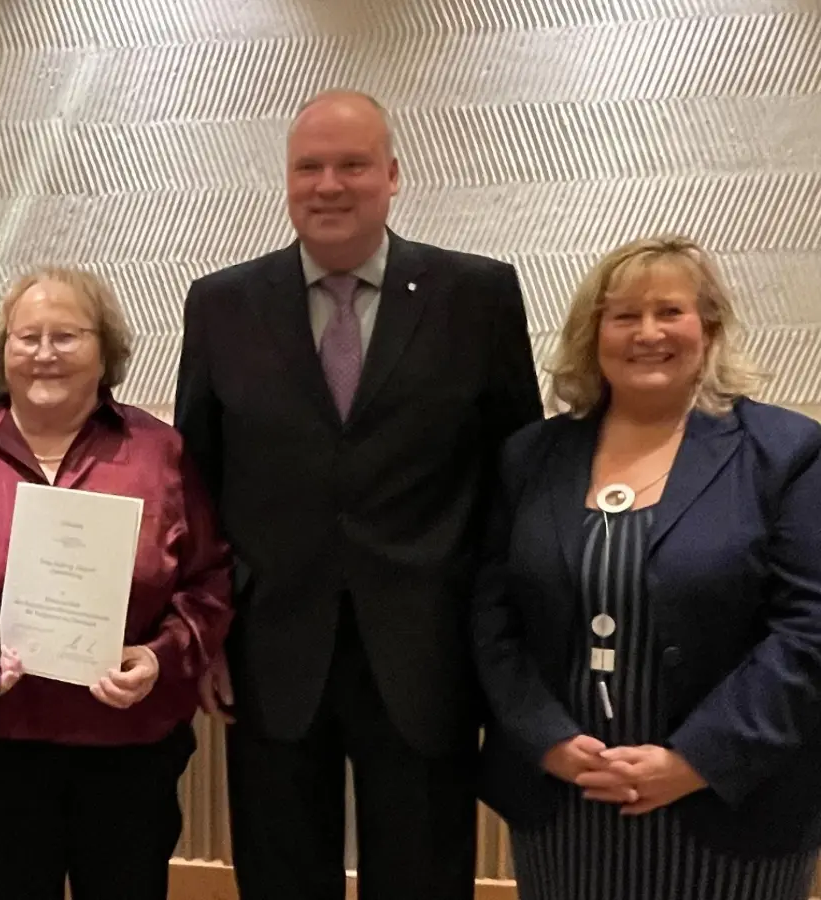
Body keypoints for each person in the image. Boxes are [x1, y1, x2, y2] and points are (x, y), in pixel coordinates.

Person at [172, 89, 543, 900]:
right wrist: (204, 634)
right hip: (268, 656)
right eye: (309, 166)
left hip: (428, 652)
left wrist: (500, 637)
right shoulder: (222, 304)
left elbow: (517, 480)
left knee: (423, 877)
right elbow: (194, 485)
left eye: (353, 165)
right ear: (286, 179)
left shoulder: (475, 297)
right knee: (279, 877)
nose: (329, 185)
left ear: (393, 175)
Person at [473, 235, 821, 899]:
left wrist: (696, 759)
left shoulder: (786, 453)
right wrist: (544, 740)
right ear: (593, 332)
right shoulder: (531, 457)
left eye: (670, 312)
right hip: (568, 804)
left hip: (730, 805)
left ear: (709, 327)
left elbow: (810, 630)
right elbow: (493, 616)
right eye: (624, 315)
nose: (648, 333)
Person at [0, 266, 232, 900]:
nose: (44, 354)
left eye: (66, 336)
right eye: (27, 337)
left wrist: (160, 658)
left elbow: (207, 582)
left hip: (129, 750)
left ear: (105, 350)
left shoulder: (161, 455)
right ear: (3, 352)